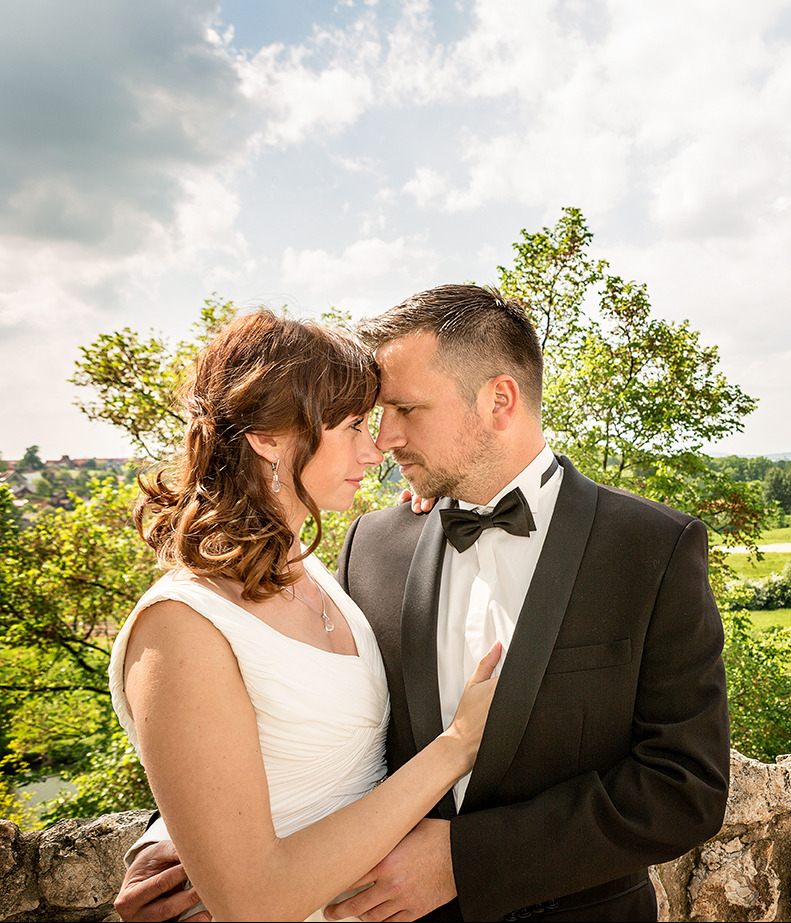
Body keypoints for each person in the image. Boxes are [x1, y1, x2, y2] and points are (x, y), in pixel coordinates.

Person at [117, 284, 731, 922]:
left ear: (499, 400)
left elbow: (685, 788)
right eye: (368, 416)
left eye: (405, 410)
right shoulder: (373, 546)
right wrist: (177, 837)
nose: (384, 439)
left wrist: (465, 860)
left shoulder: (651, 547)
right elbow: (298, 723)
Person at [108, 310, 501, 922]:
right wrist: (459, 746)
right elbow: (253, 903)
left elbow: (292, 746)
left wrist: (445, 494)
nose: (375, 450)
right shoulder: (181, 625)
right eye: (351, 426)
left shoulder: (317, 576)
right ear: (268, 436)